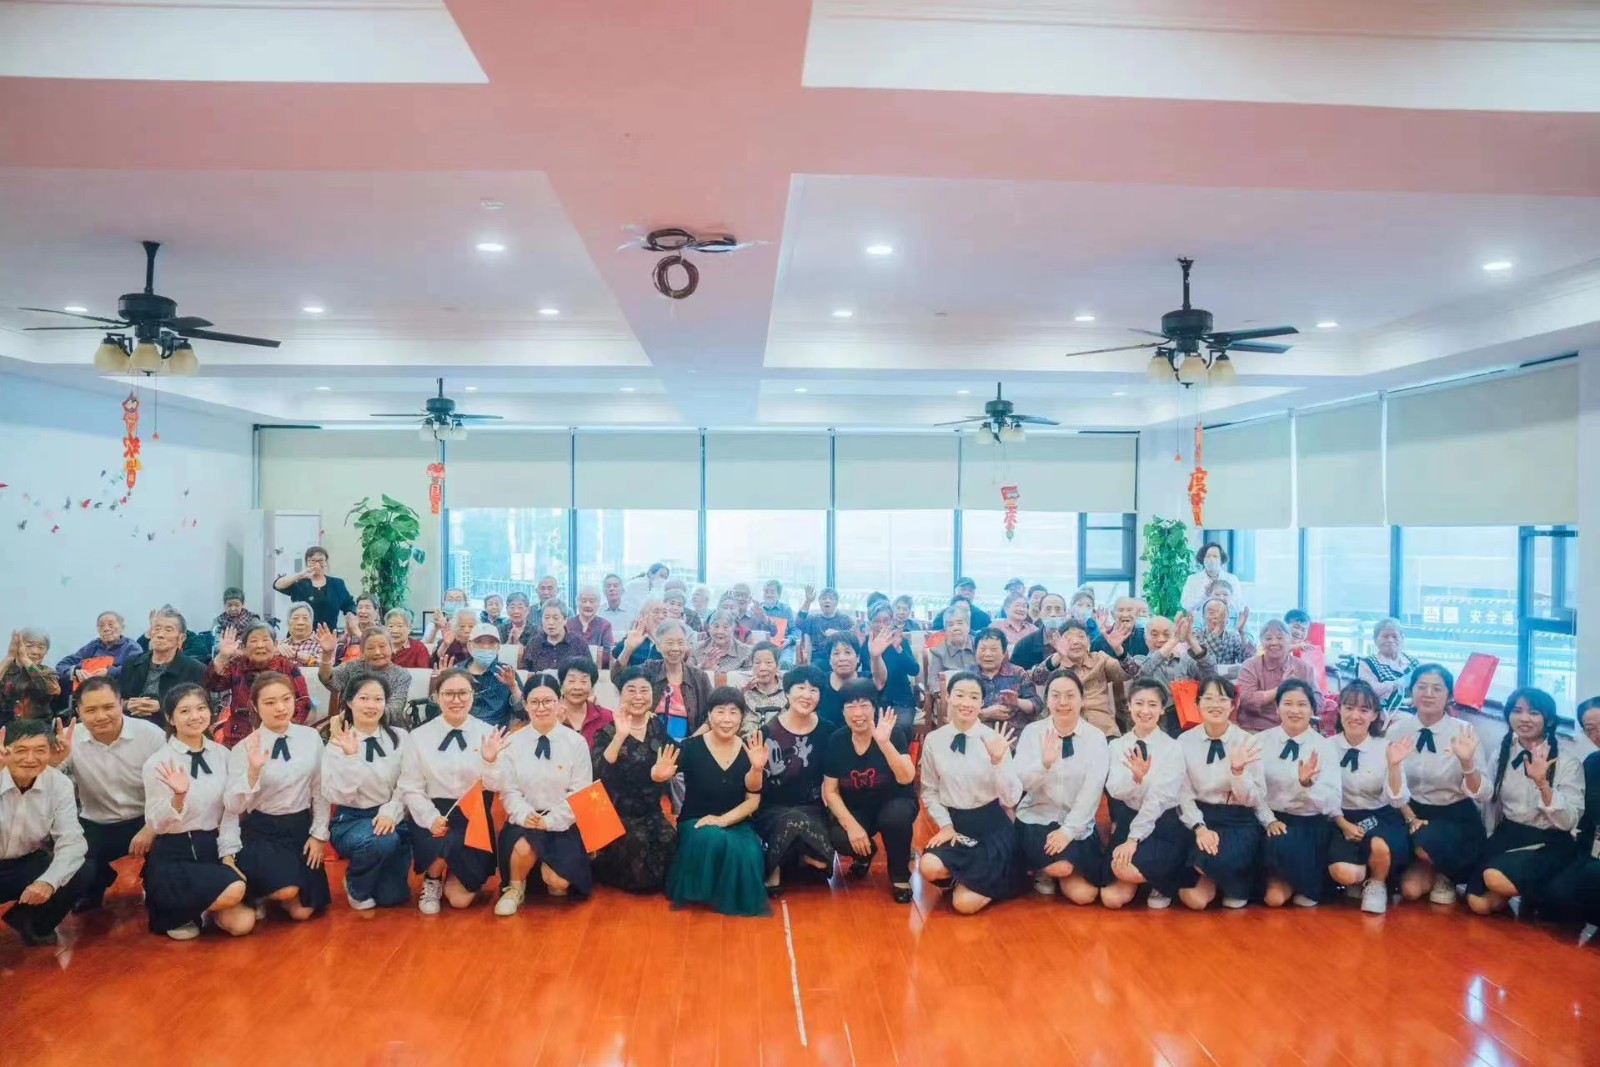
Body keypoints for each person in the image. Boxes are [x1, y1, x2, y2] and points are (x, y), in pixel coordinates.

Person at [140, 682, 255, 939]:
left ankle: (203, 907)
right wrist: (178, 798)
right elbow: (156, 824)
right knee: (234, 890)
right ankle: (167, 899)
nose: (195, 716)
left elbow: (231, 812)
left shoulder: (222, 754)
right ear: (170, 718)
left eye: (201, 708)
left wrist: (228, 855)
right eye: (185, 711)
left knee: (243, 924)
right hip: (175, 852)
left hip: (212, 846)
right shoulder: (158, 762)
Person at [49, 677, 165, 913]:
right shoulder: (68, 739)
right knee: (77, 870)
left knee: (166, 877)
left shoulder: (151, 734)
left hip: (146, 819)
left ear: (121, 704)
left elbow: (170, 787)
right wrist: (53, 763)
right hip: (96, 822)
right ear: (78, 711)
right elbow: (47, 785)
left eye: (108, 707)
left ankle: (153, 878)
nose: (100, 716)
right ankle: (97, 882)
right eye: (91, 710)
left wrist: (151, 828)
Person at [481, 677, 594, 916]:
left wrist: (551, 821)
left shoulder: (576, 742)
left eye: (547, 701)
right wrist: (525, 815)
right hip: (525, 820)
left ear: (559, 702)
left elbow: (580, 791)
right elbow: (508, 789)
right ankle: (514, 888)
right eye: (534, 702)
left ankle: (540, 869)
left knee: (558, 885)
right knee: (523, 847)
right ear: (525, 704)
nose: (541, 708)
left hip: (562, 822)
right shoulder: (512, 741)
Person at [1465, 687, 1581, 917]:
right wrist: (1467, 764)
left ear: (1549, 720)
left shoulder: (1568, 762)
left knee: (1493, 877)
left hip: (1549, 840)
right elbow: (1488, 797)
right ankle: (1522, 884)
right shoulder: (1503, 752)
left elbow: (1569, 821)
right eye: (1517, 711)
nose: (1524, 718)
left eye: (1534, 712)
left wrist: (1542, 784)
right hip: (1510, 834)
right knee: (1478, 904)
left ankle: (1545, 892)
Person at [224, 672, 331, 922]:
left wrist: (318, 835)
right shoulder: (244, 747)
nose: (280, 708)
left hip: (299, 828)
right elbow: (233, 805)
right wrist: (252, 772)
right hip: (262, 832)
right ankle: (259, 892)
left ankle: (269, 891)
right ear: (255, 706)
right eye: (270, 702)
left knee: (303, 912)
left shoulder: (311, 738)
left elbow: (320, 789)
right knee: (287, 891)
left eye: (286, 699)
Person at [918, 673, 1022, 915]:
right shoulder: (934, 740)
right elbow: (929, 790)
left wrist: (998, 762)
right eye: (960, 695)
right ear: (948, 697)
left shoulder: (995, 739)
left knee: (964, 905)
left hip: (991, 826)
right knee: (929, 866)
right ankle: (966, 879)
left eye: (974, 697)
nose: (966, 703)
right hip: (956, 825)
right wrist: (945, 825)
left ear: (982, 703)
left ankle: (983, 881)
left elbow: (1011, 799)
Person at [398, 668, 499, 915]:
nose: (456, 700)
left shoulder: (488, 733)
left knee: (459, 901)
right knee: (443, 839)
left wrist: (489, 761)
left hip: (473, 814)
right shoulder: (419, 736)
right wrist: (430, 818)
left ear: (473, 695)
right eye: (449, 694)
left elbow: (497, 785)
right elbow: (411, 786)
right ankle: (432, 879)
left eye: (463, 693)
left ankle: (456, 870)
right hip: (433, 813)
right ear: (436, 697)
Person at [1388, 665, 1488, 906]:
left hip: (1454, 815)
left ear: (1449, 695)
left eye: (1437, 689)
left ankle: (1447, 874)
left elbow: (1483, 793)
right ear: (1411, 691)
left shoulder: (1463, 731)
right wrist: (1410, 817)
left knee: (1426, 844)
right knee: (1410, 891)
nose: (1428, 694)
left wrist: (1467, 763)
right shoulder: (1398, 729)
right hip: (1410, 811)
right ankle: (1428, 865)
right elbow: (1390, 783)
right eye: (1421, 687)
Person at [664, 687, 769, 917]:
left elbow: (753, 800)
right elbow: (663, 773)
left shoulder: (750, 750)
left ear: (742, 717)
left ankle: (726, 895)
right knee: (712, 838)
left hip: (736, 822)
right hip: (696, 820)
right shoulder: (690, 747)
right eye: (720, 711)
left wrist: (756, 768)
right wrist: (658, 774)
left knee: (748, 851)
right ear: (709, 715)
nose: (726, 719)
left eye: (733, 712)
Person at [1014, 671, 1110, 905]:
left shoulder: (1096, 738)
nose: (1063, 702)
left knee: (1085, 896)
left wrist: (1068, 831)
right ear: (1047, 700)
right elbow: (1020, 784)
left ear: (1082, 699)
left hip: (1077, 822)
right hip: (1037, 817)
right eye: (1055, 696)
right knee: (1061, 866)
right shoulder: (1032, 732)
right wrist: (1044, 764)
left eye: (1070, 695)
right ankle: (1045, 869)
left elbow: (1091, 793)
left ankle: (1056, 869)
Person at [322, 674, 412, 909]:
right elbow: (337, 796)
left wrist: (390, 812)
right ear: (349, 702)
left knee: (393, 897)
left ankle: (376, 869)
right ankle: (355, 884)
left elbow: (408, 781)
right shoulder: (337, 743)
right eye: (364, 698)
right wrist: (350, 759)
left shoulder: (400, 737)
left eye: (378, 699)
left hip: (393, 816)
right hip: (352, 819)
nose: (371, 705)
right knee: (382, 840)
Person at [821, 680, 916, 903]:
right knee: (838, 835)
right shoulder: (837, 740)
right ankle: (865, 854)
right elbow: (831, 791)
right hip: (857, 807)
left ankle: (900, 877)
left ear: (874, 708)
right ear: (843, 711)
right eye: (850, 706)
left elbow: (906, 778)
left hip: (894, 801)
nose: (858, 713)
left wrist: (884, 743)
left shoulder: (893, 733)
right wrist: (852, 826)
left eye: (864, 705)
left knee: (895, 818)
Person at [1176, 676, 1265, 910]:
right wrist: (1199, 827)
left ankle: (1225, 879)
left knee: (1227, 887)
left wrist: (1238, 772)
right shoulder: (1184, 741)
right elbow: (1183, 793)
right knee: (1196, 896)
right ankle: (1219, 879)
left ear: (1233, 705)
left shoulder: (1247, 741)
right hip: (1200, 815)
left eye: (1222, 699)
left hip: (1238, 818)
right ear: (1197, 704)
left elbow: (1254, 798)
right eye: (1208, 698)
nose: (1215, 705)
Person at [1101, 679, 1191, 910]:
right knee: (1111, 899)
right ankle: (1144, 877)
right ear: (1128, 705)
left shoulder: (1173, 747)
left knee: (1127, 869)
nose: (1145, 710)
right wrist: (1136, 779)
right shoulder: (1117, 746)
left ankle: (1161, 881)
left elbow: (1159, 800)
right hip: (1129, 817)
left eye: (1152, 705)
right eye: (1139, 703)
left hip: (1163, 823)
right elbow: (1114, 790)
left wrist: (1133, 839)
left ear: (1162, 710)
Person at [1252, 679, 1341, 908]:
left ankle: (1299, 881)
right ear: (1277, 708)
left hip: (1307, 825)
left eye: (1302, 704)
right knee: (1273, 898)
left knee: (1300, 898)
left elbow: (1332, 800)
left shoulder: (1325, 746)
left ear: (1312, 709)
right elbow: (1253, 791)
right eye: (1287, 703)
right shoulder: (1260, 741)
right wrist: (1268, 819)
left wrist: (1307, 784)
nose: (1294, 710)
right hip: (1268, 821)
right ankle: (1279, 880)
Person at [0, 717, 89, 945]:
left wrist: (49, 881)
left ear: (50, 752)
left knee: (83, 870)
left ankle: (32, 923)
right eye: (21, 750)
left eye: (40, 750)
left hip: (25, 862)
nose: (30, 759)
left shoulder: (58, 783)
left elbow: (72, 841)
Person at [590, 667, 677, 893]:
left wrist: (664, 773)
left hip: (651, 811)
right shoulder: (607, 731)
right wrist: (620, 736)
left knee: (670, 842)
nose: (638, 696)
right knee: (640, 866)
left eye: (644, 690)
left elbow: (677, 754)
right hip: (617, 814)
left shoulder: (656, 726)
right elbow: (598, 771)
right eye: (631, 690)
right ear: (621, 694)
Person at [752, 669, 837, 896]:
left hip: (812, 808)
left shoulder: (828, 730)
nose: (807, 695)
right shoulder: (767, 731)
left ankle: (791, 856)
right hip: (773, 809)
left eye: (814, 690)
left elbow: (833, 775)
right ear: (787, 692)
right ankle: (773, 867)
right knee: (792, 820)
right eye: (800, 688)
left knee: (823, 864)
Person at [205, 622, 311, 746]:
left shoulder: (287, 667)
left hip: (280, 733)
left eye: (265, 640)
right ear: (243, 647)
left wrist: (284, 727)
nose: (260, 645)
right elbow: (213, 685)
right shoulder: (236, 666)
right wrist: (222, 656)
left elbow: (304, 701)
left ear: (275, 644)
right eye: (254, 641)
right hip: (239, 734)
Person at [1026, 619, 1137, 737]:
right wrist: (1058, 656)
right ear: (1058, 642)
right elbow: (1037, 679)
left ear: (1088, 640)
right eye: (1069, 639)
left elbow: (1132, 672)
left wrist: (1119, 650)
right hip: (1065, 730)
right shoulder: (1055, 662)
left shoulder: (1100, 659)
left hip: (1103, 730)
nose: (1075, 642)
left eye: (1081, 637)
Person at [1544, 696, 1600, 928]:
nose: (1598, 733)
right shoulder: (1593, 763)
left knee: (1591, 877)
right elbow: (1583, 816)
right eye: (1591, 729)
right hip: (1593, 849)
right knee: (1557, 895)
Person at [618, 619, 712, 742]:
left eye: (680, 643)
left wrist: (690, 742)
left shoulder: (699, 677)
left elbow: (713, 714)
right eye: (669, 643)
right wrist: (628, 649)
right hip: (649, 744)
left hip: (689, 744)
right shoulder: (650, 668)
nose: (675, 648)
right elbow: (619, 677)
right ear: (658, 646)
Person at [1235, 620, 1331, 733]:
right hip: (1256, 729)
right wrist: (1281, 688)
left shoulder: (1304, 668)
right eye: (1268, 638)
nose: (1274, 642)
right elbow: (1247, 700)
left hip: (1294, 729)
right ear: (1261, 642)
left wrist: (1298, 698)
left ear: (1289, 640)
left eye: (1280, 638)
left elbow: (1319, 703)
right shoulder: (1250, 665)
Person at [118, 608, 207, 720]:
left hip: (172, 726)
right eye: (156, 629)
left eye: (168, 630)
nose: (160, 635)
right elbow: (116, 699)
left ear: (181, 638)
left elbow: (200, 708)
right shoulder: (131, 663)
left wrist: (163, 706)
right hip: (133, 723)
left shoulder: (195, 669)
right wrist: (127, 705)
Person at [319, 627, 412, 728]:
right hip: (352, 726)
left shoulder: (401, 675)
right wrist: (327, 654)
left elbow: (395, 709)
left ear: (392, 649)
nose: (377, 652)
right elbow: (328, 679)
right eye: (370, 648)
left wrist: (364, 713)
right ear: (362, 652)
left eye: (382, 646)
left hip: (389, 727)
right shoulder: (352, 667)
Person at [863, 603, 920, 730]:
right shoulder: (866, 643)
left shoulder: (900, 641)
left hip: (901, 700)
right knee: (869, 726)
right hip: (874, 699)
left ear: (892, 622)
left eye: (886, 621)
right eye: (877, 621)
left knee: (901, 727)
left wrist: (898, 649)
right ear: (870, 623)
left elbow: (914, 670)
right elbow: (863, 672)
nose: (881, 625)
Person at [272, 546, 356, 632]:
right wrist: (300, 575)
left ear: (326, 562)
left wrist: (351, 618)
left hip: (327, 635)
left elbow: (349, 605)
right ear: (307, 563)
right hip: (299, 634)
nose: (317, 564)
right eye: (313, 561)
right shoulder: (299, 583)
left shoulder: (337, 584)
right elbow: (277, 585)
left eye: (321, 560)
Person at [815, 634, 888, 732]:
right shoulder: (820, 683)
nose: (842, 658)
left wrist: (876, 657)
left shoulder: (867, 680)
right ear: (829, 660)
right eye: (836, 653)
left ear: (858, 658)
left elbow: (880, 681)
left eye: (847, 652)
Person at [972, 628, 1037, 735]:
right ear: (975, 652)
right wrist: (984, 714)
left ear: (1004, 653)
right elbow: (955, 711)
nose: (988, 654)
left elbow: (1036, 705)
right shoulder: (968, 676)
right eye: (983, 649)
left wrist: (1017, 702)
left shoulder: (1018, 673)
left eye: (993, 649)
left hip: (1015, 736)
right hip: (977, 737)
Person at [56, 610, 143, 689]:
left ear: (122, 627)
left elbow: (138, 670)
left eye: (111, 625)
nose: (106, 629)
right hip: (88, 692)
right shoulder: (93, 646)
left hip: (118, 693)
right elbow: (61, 665)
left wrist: (110, 672)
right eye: (101, 626)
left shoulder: (132, 647)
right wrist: (75, 671)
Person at [1134, 614, 1209, 698]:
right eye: (1155, 635)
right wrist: (1174, 640)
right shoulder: (1139, 660)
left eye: (1166, 634)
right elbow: (1141, 672)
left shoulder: (1186, 660)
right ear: (1145, 638)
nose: (1161, 639)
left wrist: (1190, 639)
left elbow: (1210, 675)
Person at [459, 624, 517, 731]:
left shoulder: (506, 672)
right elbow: (437, 713)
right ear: (470, 646)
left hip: (496, 733)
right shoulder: (457, 672)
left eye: (491, 643)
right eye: (479, 642)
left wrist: (513, 687)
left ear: (498, 647)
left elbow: (522, 713)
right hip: (462, 731)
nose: (486, 647)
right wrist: (438, 683)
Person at [1, 628, 61, 725]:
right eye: (29, 646)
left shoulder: (47, 672)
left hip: (37, 726)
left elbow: (51, 689)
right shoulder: (6, 669)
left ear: (46, 651)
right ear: (17, 647)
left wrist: (26, 661)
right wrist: (9, 657)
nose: (35, 652)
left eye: (41, 648)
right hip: (5, 724)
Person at [1356, 618, 1419, 710]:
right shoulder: (1367, 663)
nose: (1390, 640)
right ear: (1375, 640)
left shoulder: (1413, 662)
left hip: (1417, 709)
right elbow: (1370, 691)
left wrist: (1418, 700)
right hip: (1385, 712)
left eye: (1395, 636)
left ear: (1402, 639)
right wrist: (1399, 683)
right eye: (1385, 636)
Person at [521, 601, 590, 674]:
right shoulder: (534, 643)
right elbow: (524, 672)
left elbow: (589, 671)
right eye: (546, 618)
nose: (550, 622)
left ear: (565, 620)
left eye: (555, 618)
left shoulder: (578, 642)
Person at [556, 658, 612, 744]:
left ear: (592, 688)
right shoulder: (549, 715)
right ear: (561, 685)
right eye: (571, 681)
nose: (577, 687)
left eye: (583, 681)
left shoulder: (606, 717)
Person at [1181, 541, 1244, 614]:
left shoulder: (1232, 579)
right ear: (1202, 559)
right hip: (1200, 619)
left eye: (1215, 556)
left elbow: (1239, 606)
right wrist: (1204, 596)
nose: (1211, 559)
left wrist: (1225, 599)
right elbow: (1186, 605)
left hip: (1226, 619)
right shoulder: (1192, 579)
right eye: (1208, 556)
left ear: (1221, 560)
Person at [1009, 593, 1066, 671]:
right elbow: (1016, 675)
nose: (1053, 614)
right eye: (1048, 609)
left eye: (1058, 609)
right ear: (1040, 613)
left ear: (1065, 614)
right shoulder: (1025, 645)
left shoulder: (1073, 641)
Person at [1196, 597, 1254, 672]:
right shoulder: (1197, 636)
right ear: (1203, 616)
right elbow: (1202, 659)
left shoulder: (1233, 637)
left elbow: (1247, 660)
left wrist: (1241, 632)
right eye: (1211, 613)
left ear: (1228, 617)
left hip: (1228, 678)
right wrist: (1218, 630)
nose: (1217, 616)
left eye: (1221, 614)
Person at [740, 643, 788, 733]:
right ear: (752, 666)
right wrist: (742, 692)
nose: (762, 668)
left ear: (778, 666)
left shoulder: (789, 691)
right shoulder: (743, 690)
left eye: (768, 663)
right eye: (757, 663)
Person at [928, 602, 979, 681]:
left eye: (960, 623)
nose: (956, 628)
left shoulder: (979, 645)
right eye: (950, 625)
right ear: (945, 630)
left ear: (968, 627)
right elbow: (933, 680)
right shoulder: (938, 650)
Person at [612, 600, 666, 670]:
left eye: (665, 613)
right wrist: (628, 649)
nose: (661, 616)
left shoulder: (670, 638)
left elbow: (672, 659)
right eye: (656, 612)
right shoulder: (635, 636)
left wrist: (654, 635)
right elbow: (616, 653)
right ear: (642, 616)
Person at [795, 586, 853, 653]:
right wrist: (808, 601)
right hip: (817, 656)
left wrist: (838, 633)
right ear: (819, 602)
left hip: (838, 655)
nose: (827, 601)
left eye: (831, 598)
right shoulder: (812, 619)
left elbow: (853, 637)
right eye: (823, 598)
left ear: (836, 603)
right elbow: (799, 623)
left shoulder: (844, 619)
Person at [336, 595, 383, 662]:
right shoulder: (351, 628)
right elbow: (338, 655)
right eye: (360, 607)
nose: (363, 611)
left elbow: (374, 651)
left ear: (376, 611)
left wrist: (356, 631)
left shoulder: (380, 632)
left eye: (367, 608)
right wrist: (346, 635)